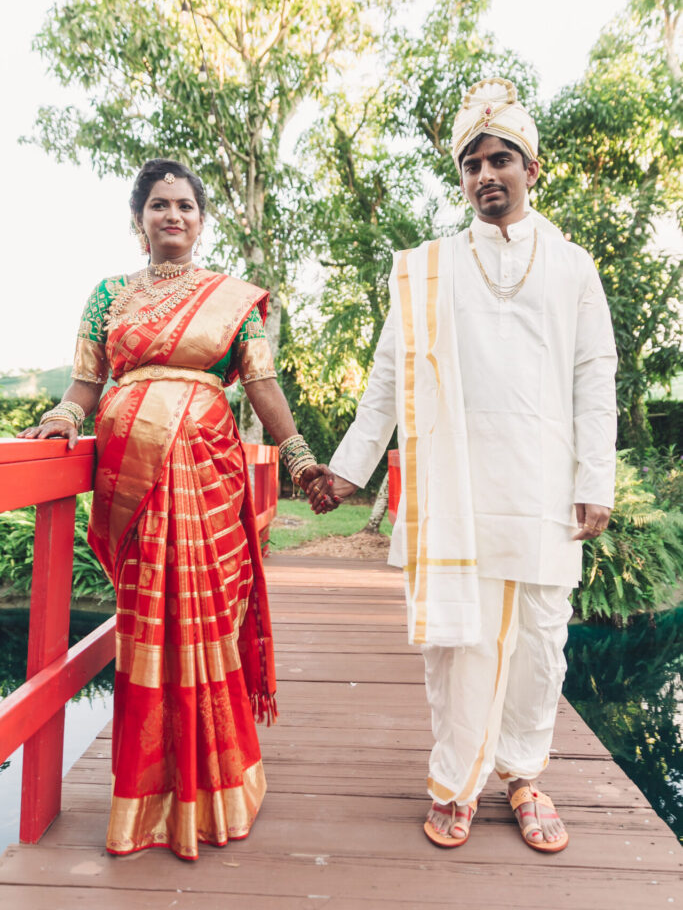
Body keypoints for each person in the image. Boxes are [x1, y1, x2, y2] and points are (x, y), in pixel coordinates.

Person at [310, 78, 617, 853]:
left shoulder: (572, 266)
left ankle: (522, 776)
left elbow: (594, 377)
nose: (485, 175)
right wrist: (348, 470)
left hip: (544, 483)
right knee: (459, 645)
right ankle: (455, 782)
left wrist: (594, 481)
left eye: (500, 159)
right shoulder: (427, 268)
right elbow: (387, 376)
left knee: (539, 642)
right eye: (471, 164)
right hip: (458, 488)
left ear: (531, 168)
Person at [19, 158, 329, 860]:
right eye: (159, 204)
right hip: (132, 480)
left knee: (207, 617)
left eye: (185, 205)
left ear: (201, 219)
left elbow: (262, 384)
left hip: (208, 474)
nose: (173, 215)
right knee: (146, 623)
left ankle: (220, 785)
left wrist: (300, 459)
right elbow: (86, 381)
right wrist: (64, 417)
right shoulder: (108, 294)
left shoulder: (232, 299)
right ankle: (151, 797)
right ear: (139, 219)